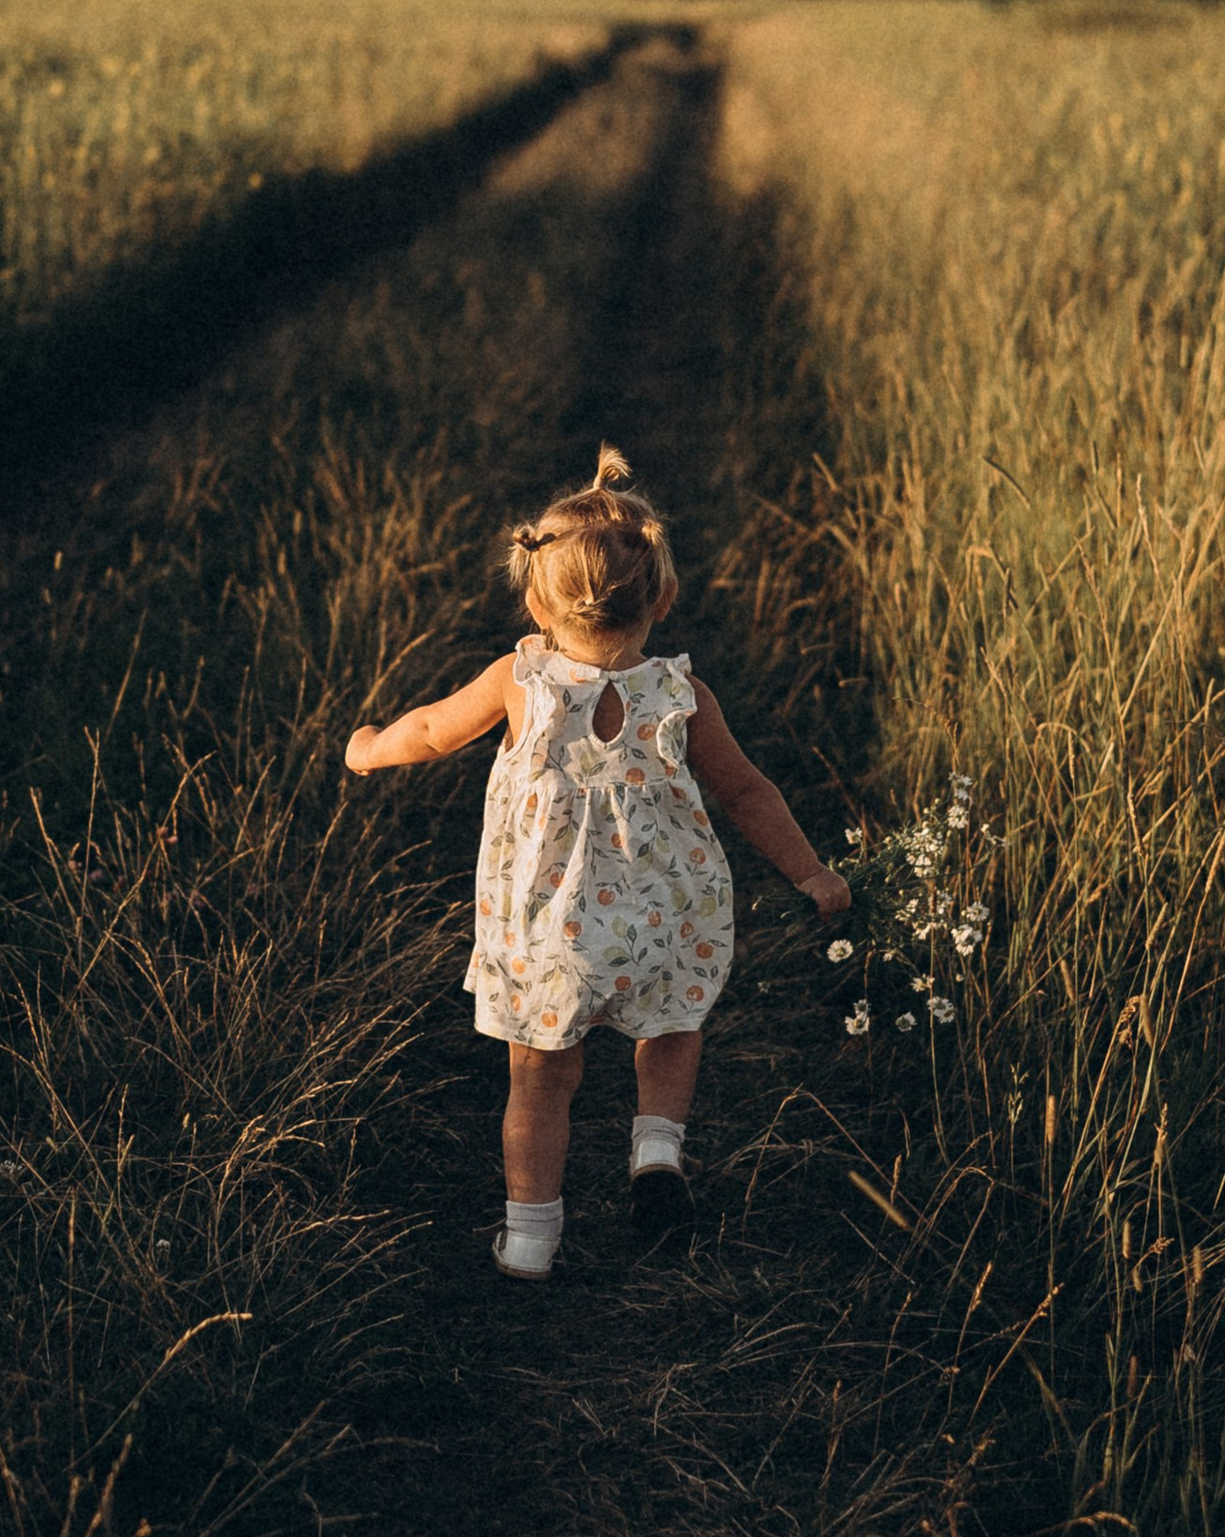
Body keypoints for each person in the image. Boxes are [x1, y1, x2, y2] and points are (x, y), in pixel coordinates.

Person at [345, 446, 850, 1276]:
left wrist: (369, 748)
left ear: (536, 601)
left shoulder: (520, 681)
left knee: (539, 1079)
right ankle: (656, 1149)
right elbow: (747, 792)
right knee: (673, 1027)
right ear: (664, 597)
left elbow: (432, 729)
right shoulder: (682, 696)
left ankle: (531, 1237)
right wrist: (811, 872)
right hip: (666, 914)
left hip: (550, 932)